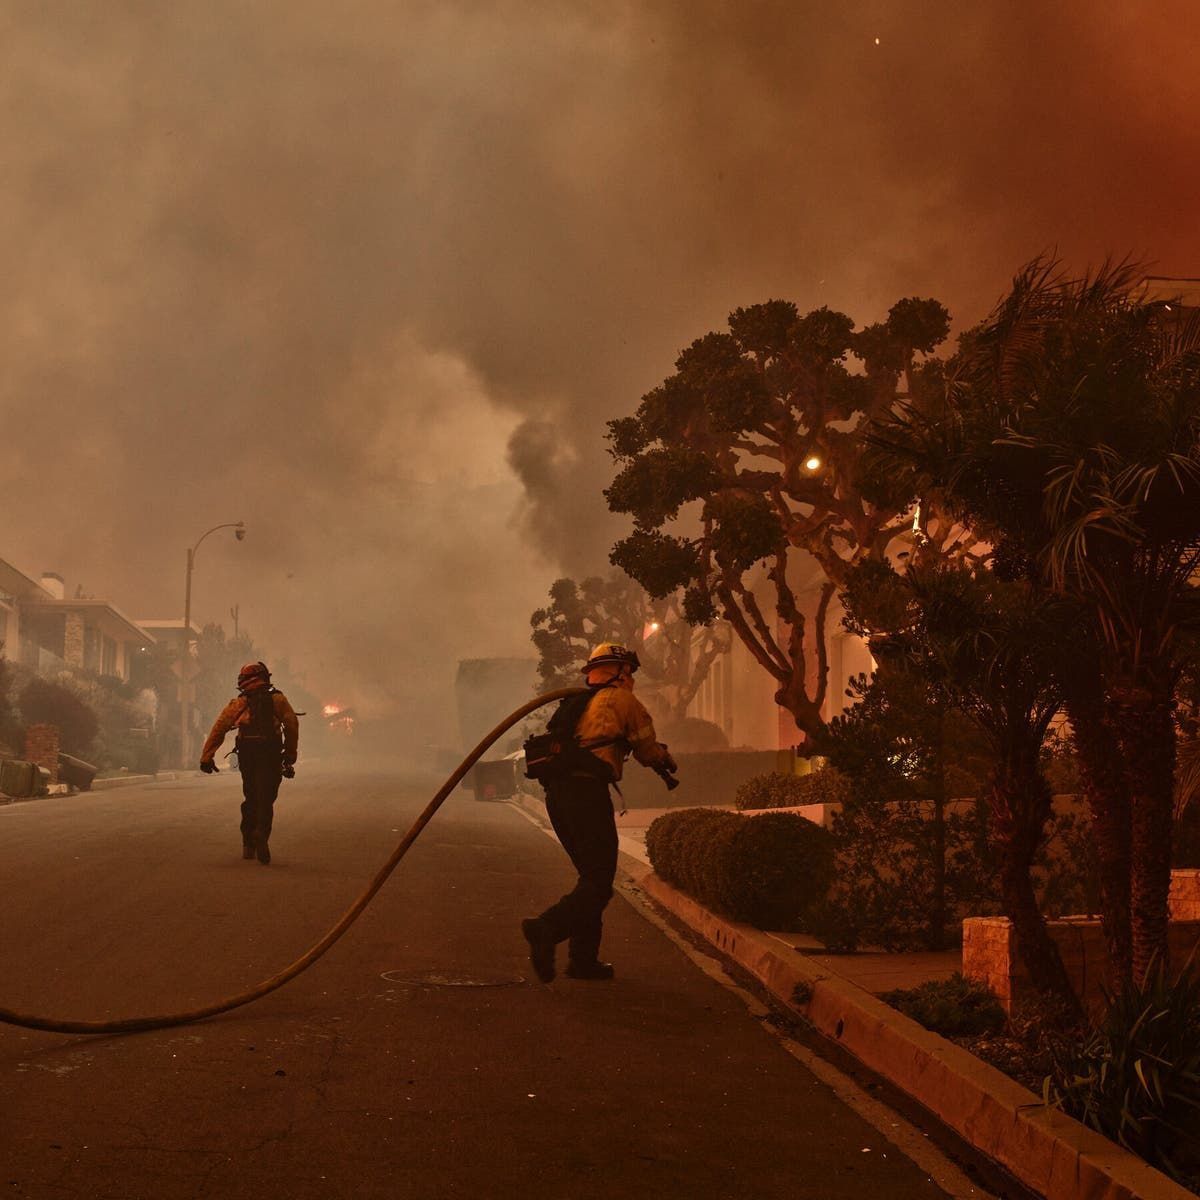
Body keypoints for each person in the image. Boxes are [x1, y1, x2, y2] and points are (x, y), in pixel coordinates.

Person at [522, 643, 676, 983]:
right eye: (629, 672)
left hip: (558, 796)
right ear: (618, 672)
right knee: (599, 882)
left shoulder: (580, 703)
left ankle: (583, 961)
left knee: (591, 878)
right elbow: (646, 750)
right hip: (586, 794)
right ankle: (546, 928)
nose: (631, 679)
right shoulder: (621, 700)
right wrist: (664, 758)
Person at [199, 661, 299, 865]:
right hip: (270, 753)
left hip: (247, 754)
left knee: (251, 796)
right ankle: (261, 832)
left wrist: (207, 756)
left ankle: (248, 843)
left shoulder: (240, 702)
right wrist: (290, 754)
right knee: (266, 798)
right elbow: (291, 725)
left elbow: (220, 728)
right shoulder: (278, 699)